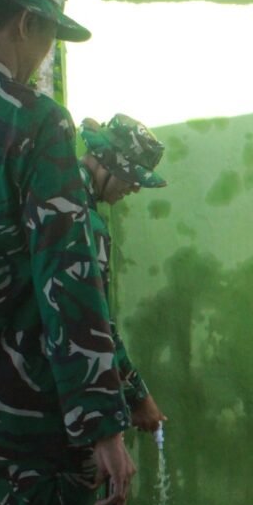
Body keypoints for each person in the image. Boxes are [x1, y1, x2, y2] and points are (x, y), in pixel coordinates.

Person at [0, 0, 135, 505]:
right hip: (28, 420)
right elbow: (66, 286)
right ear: (22, 23)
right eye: (48, 32)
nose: (48, 51)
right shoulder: (38, 125)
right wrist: (102, 426)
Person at [79, 114, 168, 433]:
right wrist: (138, 397)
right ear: (109, 162)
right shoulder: (83, 222)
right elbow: (92, 323)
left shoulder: (47, 191)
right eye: (132, 177)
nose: (135, 187)